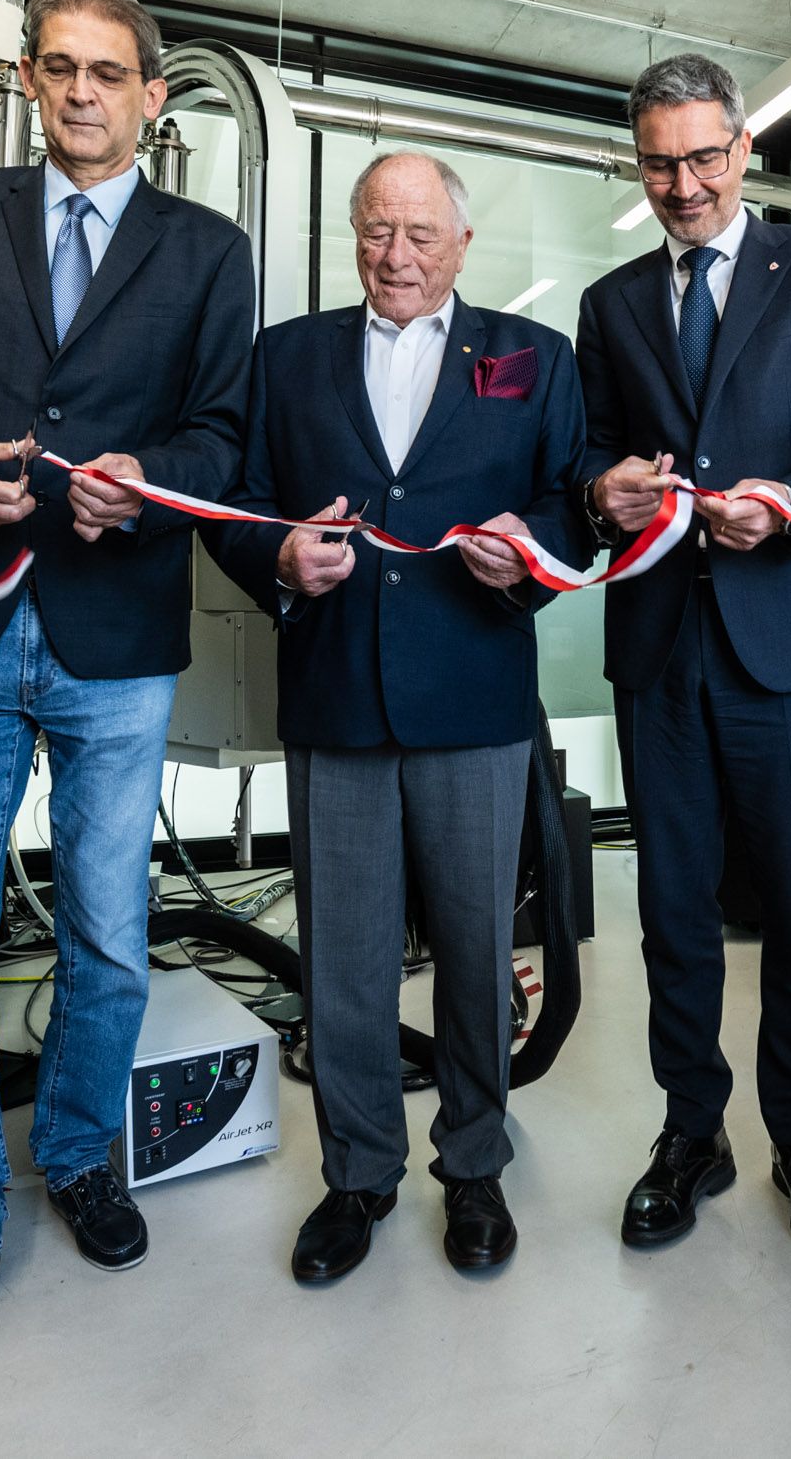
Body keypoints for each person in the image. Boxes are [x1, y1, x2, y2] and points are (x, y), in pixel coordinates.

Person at [0, 0, 252, 1389]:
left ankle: (80, 1153)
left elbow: (221, 431)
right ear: (30, 81)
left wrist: (153, 489)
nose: (84, 92)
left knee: (108, 932)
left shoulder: (210, 247)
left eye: (112, 73)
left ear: (155, 96)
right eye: (62, 68)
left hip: (114, 630)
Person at [206, 151, 586, 1282]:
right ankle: (357, 1174)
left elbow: (571, 503)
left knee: (476, 950)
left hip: (474, 693)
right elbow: (229, 502)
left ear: (463, 244)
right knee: (347, 961)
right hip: (336, 693)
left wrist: (524, 550)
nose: (397, 255)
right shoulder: (288, 356)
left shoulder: (532, 356)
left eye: (420, 234)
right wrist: (274, 551)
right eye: (376, 231)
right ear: (353, 237)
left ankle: (472, 1163)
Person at [575, 52, 791, 1260]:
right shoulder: (608, 304)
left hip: (788, 640)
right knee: (670, 909)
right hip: (659, 646)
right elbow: (586, 453)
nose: (684, 182)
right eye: (660, 161)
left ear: (744, 149)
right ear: (638, 162)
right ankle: (691, 1129)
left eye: (705, 156)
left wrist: (790, 503)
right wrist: (601, 487)